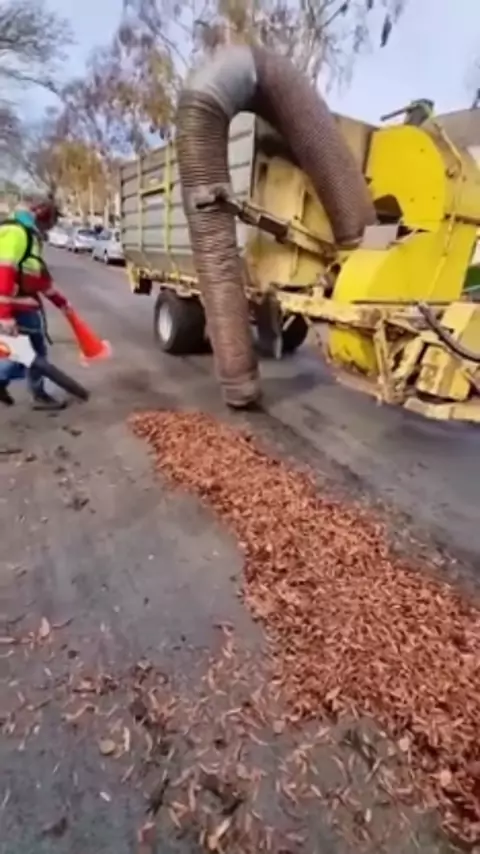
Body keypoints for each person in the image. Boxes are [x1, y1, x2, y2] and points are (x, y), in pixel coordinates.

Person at [0, 199, 71, 410]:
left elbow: (37, 278)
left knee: (30, 352)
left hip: (23, 305)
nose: (50, 226)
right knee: (26, 354)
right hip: (17, 306)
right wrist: (5, 315)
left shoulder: (27, 235)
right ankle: (32, 393)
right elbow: (4, 273)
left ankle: (28, 390)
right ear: (39, 213)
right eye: (51, 220)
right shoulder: (17, 233)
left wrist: (61, 303)